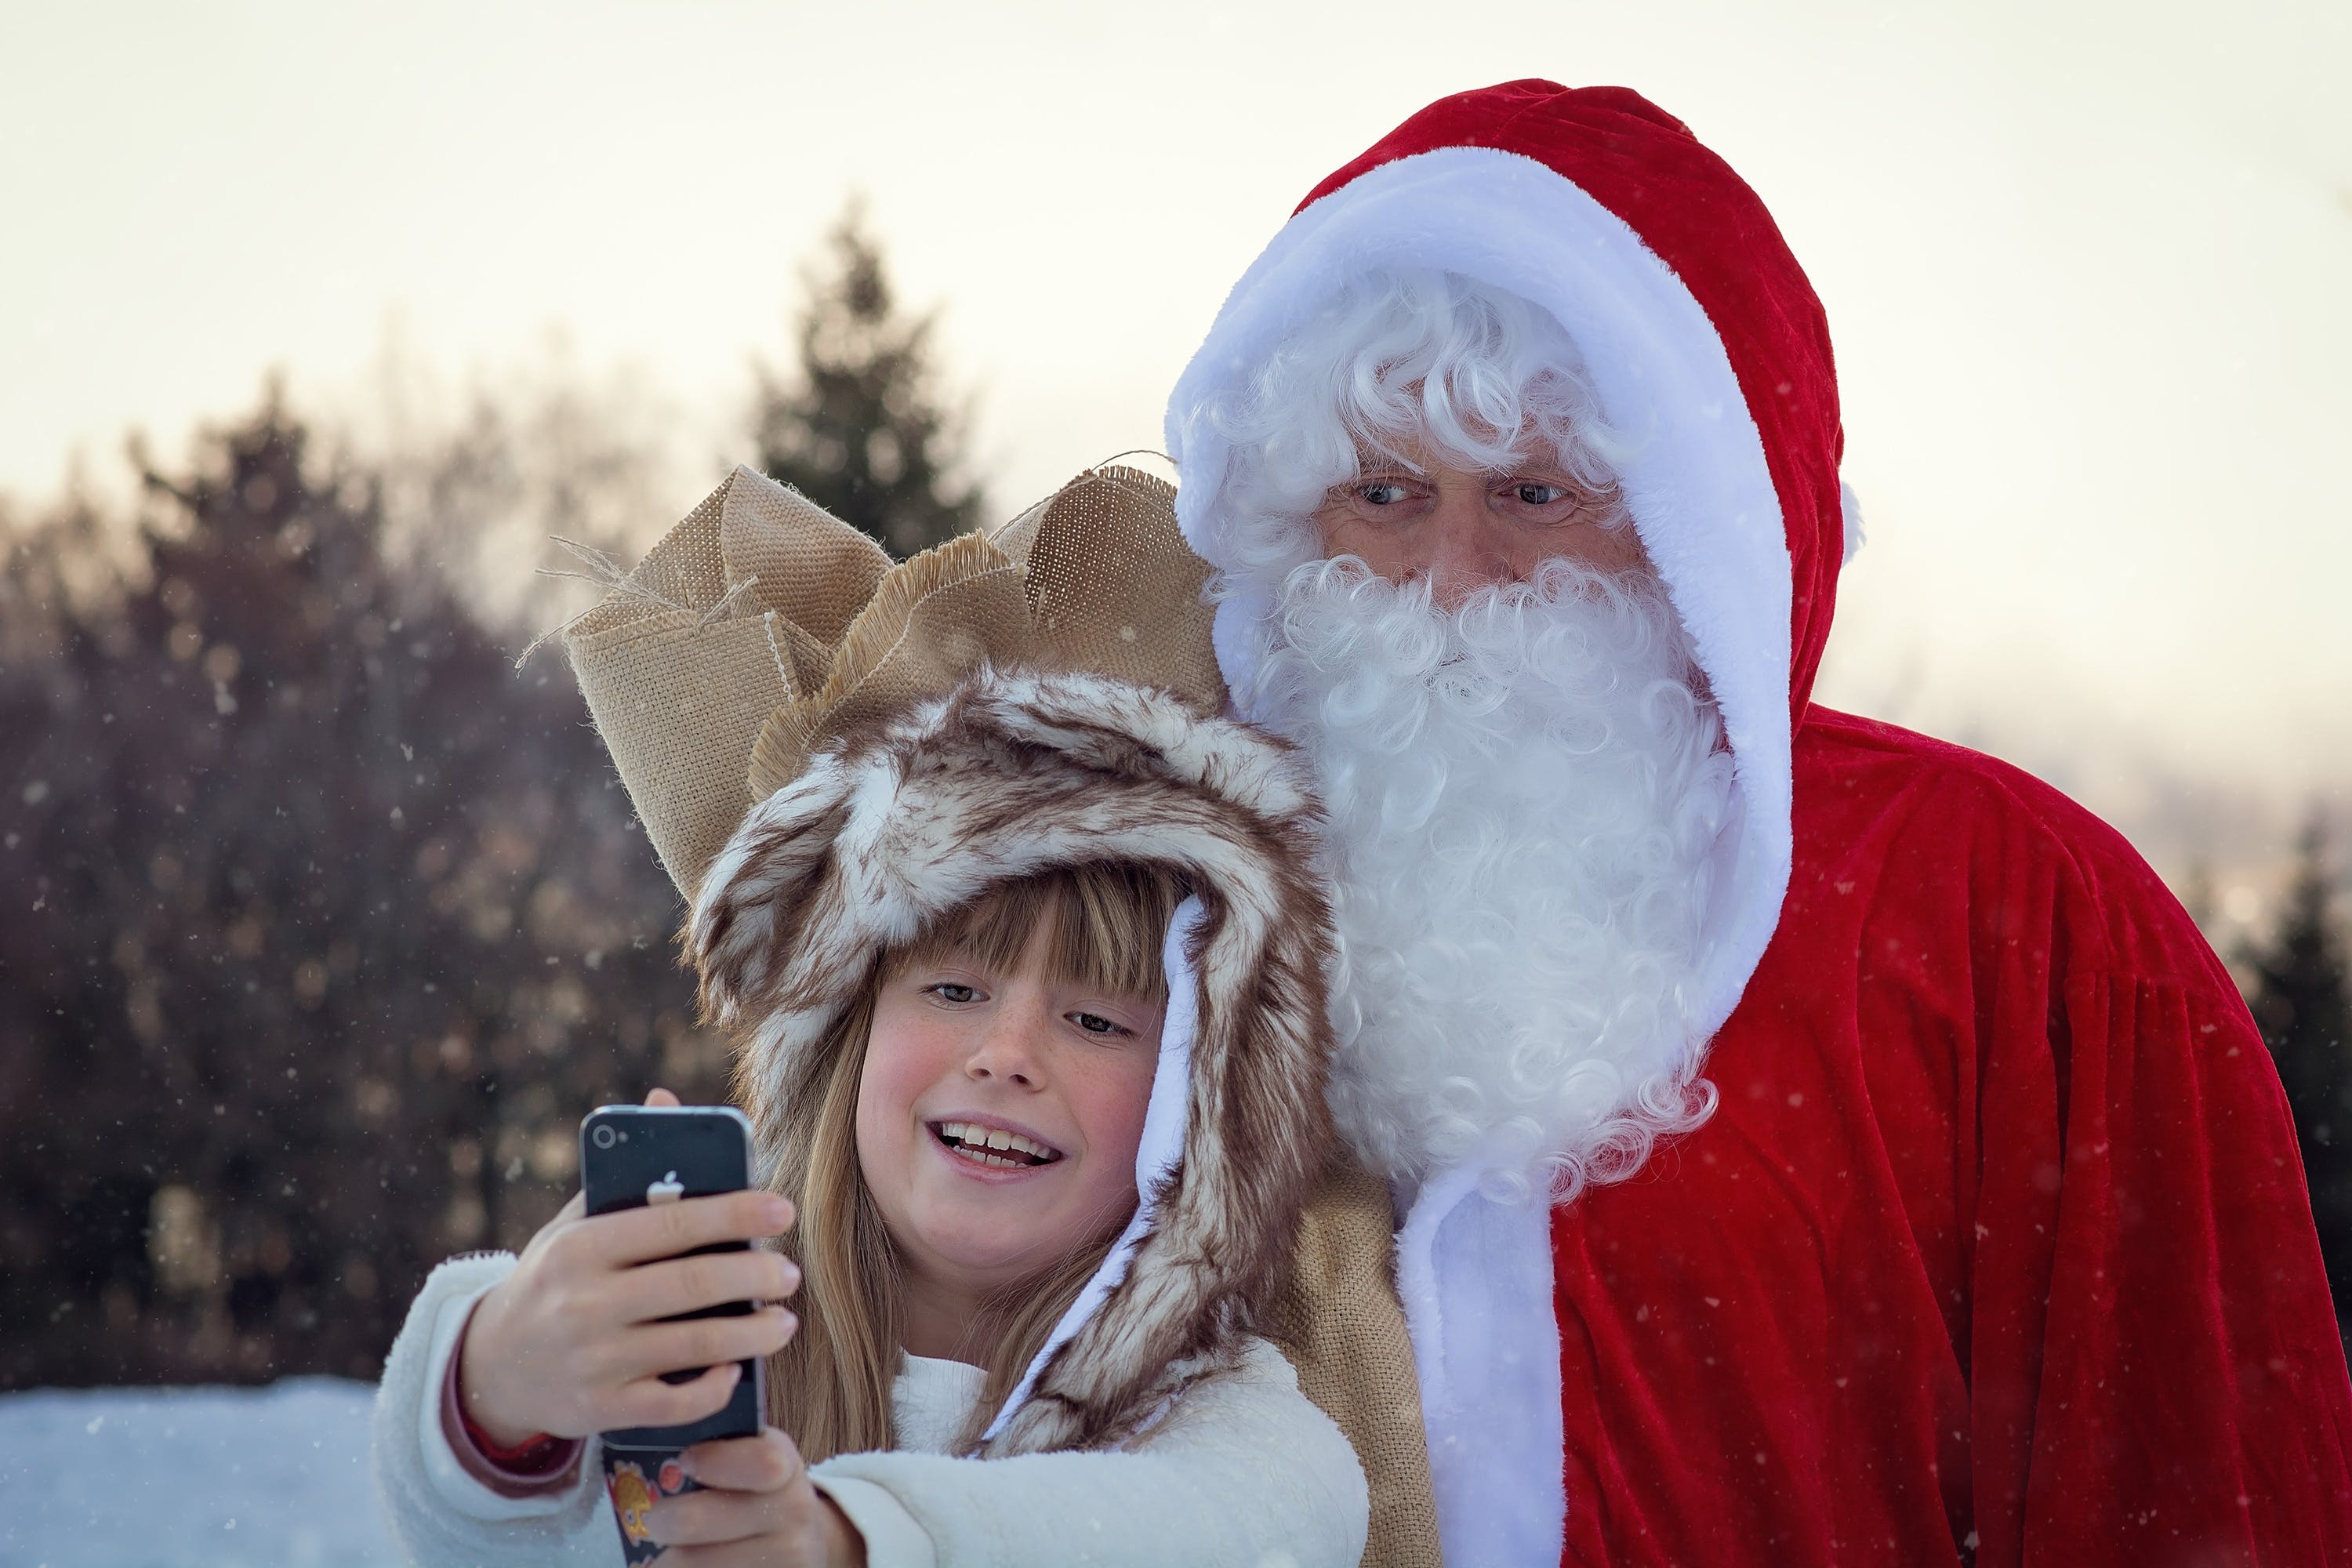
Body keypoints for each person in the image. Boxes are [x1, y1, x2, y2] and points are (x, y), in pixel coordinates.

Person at [1163, 81, 2352, 1565]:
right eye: (1388, 496)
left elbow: (2194, 1489)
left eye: (1536, 493)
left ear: (1694, 529)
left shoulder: (2014, 914)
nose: (1454, 580)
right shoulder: (1143, 905)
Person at [372, 474, 1371, 1567]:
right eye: (952, 991)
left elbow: (1210, 1531)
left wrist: (846, 1541)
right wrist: (500, 1376)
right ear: (845, 1041)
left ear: (1200, 1104)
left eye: (1095, 1021)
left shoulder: (1240, 1432)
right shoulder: (698, 1352)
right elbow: (491, 1530)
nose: (1005, 1056)